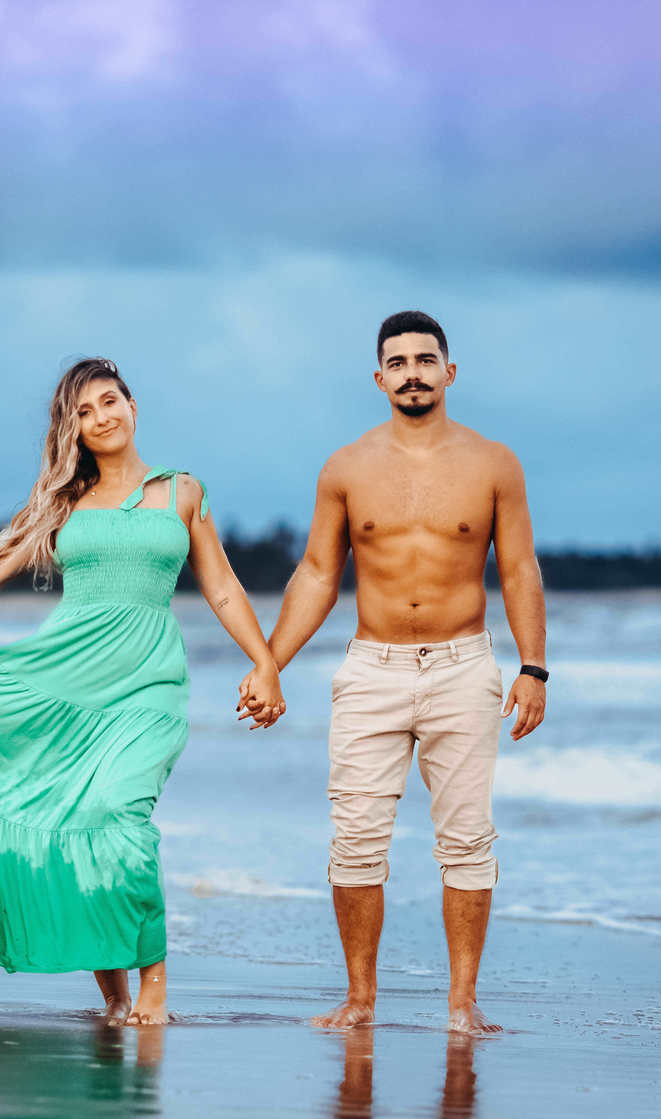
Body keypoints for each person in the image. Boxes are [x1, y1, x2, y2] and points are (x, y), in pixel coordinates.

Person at [0, 356, 285, 1025]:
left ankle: (153, 986)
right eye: (84, 413)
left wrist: (264, 662)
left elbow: (221, 587)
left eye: (109, 401)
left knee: (121, 819)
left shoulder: (182, 492)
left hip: (149, 686)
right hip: (65, 678)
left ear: (132, 405)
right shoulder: (64, 501)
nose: (101, 418)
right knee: (75, 823)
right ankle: (114, 995)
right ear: (73, 430)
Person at [248, 310, 547, 1034]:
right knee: (355, 839)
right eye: (399, 362)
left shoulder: (494, 463)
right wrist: (269, 664)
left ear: (450, 371)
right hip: (371, 670)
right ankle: (359, 1000)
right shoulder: (346, 467)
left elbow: (518, 569)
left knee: (468, 840)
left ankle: (462, 1002)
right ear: (379, 378)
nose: (413, 373)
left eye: (425, 359)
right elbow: (318, 574)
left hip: (463, 667)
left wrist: (534, 667)